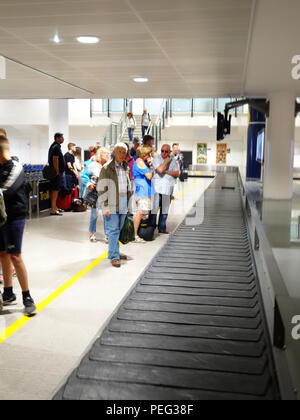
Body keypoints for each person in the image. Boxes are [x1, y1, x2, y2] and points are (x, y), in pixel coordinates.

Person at [0, 134, 36, 315]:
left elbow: (6, 190)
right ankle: (7, 293)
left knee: (15, 255)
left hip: (15, 216)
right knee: (2, 254)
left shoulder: (16, 167)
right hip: (1, 217)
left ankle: (27, 296)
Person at [98, 143, 131, 268]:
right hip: (111, 202)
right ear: (114, 152)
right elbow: (101, 188)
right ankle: (114, 257)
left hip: (123, 200)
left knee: (119, 228)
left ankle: (114, 252)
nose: (122, 155)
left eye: (124, 152)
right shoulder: (107, 168)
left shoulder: (125, 166)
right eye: (120, 152)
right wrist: (105, 206)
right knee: (113, 230)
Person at [148, 144, 180, 234]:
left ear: (169, 152)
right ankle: (151, 227)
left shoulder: (173, 161)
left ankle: (162, 227)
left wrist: (166, 171)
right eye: (162, 151)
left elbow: (177, 173)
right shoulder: (156, 159)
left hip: (168, 189)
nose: (164, 153)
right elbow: (160, 170)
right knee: (154, 209)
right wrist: (166, 162)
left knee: (165, 210)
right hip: (157, 189)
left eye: (166, 151)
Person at [85, 147, 110, 243]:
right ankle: (92, 233)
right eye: (105, 154)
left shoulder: (109, 165)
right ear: (100, 155)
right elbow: (84, 175)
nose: (107, 155)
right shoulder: (92, 165)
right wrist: (89, 184)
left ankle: (107, 235)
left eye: (108, 154)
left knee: (106, 214)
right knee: (94, 214)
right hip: (95, 192)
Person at [132, 145, 154, 243]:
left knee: (143, 212)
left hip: (143, 191)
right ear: (144, 154)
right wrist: (151, 165)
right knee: (140, 213)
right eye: (148, 153)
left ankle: (137, 234)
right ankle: (135, 235)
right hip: (143, 192)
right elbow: (149, 176)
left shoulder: (140, 162)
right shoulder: (140, 162)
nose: (149, 155)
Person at [48, 133, 66, 216]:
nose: (63, 139)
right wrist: (57, 170)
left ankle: (55, 207)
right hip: (56, 172)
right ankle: (53, 209)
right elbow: (55, 159)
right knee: (55, 190)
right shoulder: (56, 147)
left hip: (56, 172)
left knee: (56, 189)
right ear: (57, 138)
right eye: (62, 137)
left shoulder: (55, 146)